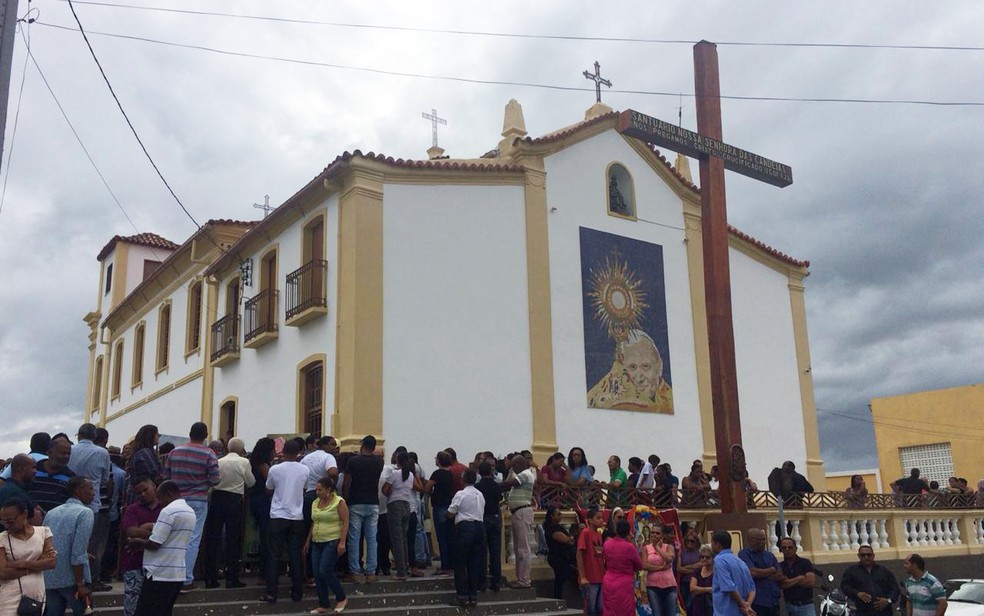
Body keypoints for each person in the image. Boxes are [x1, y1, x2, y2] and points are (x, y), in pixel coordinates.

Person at [163, 421, 220, 592]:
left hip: (175, 500)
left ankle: (169, 577)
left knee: (172, 538)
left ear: (189, 433)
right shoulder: (209, 453)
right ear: (205, 436)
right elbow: (215, 480)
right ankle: (186, 579)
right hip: (198, 500)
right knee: (193, 539)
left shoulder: (174, 452)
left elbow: (166, 476)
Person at [129, 480, 197, 616]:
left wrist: (138, 542)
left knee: (145, 611)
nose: (159, 502)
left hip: (159, 572)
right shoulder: (190, 511)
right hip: (177, 573)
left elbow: (155, 543)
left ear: (168, 495)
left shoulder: (168, 511)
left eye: (160, 498)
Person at [203, 437, 254, 589]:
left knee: (214, 538)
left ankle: (210, 577)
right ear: (241, 449)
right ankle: (232, 578)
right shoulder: (244, 462)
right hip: (234, 500)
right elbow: (251, 482)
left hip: (217, 498)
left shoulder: (219, 461)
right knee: (232, 540)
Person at [263, 438, 309, 603]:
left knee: (274, 555)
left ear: (283, 451)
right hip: (297, 517)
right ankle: (297, 593)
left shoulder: (275, 469)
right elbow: (304, 490)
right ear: (298, 453)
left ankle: (271, 593)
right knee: (295, 556)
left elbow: (268, 489)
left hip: (277, 515)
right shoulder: (305, 470)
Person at [69, 423, 113, 592]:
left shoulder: (71, 450)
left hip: (71, 499)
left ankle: (74, 578)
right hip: (92, 503)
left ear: (78, 436)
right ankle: (92, 579)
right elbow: (104, 480)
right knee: (94, 544)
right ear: (95, 437)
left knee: (73, 541)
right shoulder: (102, 452)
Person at [43, 477, 96, 615]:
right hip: (73, 579)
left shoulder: (51, 512)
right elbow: (78, 552)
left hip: (50, 577)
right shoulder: (85, 513)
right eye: (90, 488)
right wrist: (80, 583)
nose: (93, 492)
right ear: (78, 491)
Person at [0, 497, 56, 613]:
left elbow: (51, 562)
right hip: (10, 596)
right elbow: (3, 572)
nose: (6, 526)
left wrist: (20, 563)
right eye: (3, 522)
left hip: (36, 596)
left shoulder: (43, 532)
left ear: (24, 514)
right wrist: (38, 564)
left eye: (10, 521)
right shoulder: (2, 538)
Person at [302, 477, 349, 615]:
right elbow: (314, 522)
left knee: (325, 570)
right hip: (317, 540)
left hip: (332, 540)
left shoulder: (339, 502)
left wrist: (342, 542)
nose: (317, 492)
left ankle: (341, 597)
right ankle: (324, 603)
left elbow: (346, 521)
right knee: (317, 573)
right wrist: (307, 541)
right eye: (316, 489)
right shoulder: (315, 502)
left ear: (329, 490)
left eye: (320, 490)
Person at [343, 435, 384, 583]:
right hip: (373, 502)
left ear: (362, 446)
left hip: (356, 502)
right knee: (372, 538)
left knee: (354, 537)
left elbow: (346, 482)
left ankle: (354, 571)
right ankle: (371, 572)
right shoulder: (379, 462)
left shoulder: (353, 461)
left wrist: (346, 500)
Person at [120, 476, 163, 616]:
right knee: (132, 607)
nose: (143, 494)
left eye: (146, 490)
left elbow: (170, 534)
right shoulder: (132, 510)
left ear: (154, 486)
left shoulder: (165, 509)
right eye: (139, 492)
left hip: (159, 566)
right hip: (135, 564)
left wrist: (149, 526)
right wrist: (159, 532)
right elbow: (131, 531)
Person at [300, 437, 339, 584]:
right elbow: (333, 472)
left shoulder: (306, 458)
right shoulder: (328, 457)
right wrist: (331, 486)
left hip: (308, 495)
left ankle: (309, 573)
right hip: (323, 496)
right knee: (325, 533)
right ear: (324, 445)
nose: (335, 447)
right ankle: (324, 571)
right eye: (332, 444)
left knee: (309, 534)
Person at [447, 468, 487, 608]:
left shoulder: (461, 494)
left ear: (463, 480)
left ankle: (462, 596)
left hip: (465, 529)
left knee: (460, 563)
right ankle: (473, 596)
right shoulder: (480, 495)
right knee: (474, 563)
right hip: (479, 528)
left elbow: (451, 513)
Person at [382, 450, 420, 580]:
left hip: (395, 505)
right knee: (403, 538)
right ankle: (405, 566)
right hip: (407, 506)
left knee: (396, 539)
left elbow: (385, 490)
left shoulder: (394, 473)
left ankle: (401, 572)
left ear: (397, 460)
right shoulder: (410, 475)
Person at [500, 453, 535, 589]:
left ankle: (524, 580)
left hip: (522, 512)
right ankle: (520, 578)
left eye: (514, 465)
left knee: (523, 549)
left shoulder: (526, 474)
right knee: (518, 548)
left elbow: (510, 483)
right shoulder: (523, 474)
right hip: (518, 512)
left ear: (521, 464)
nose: (513, 468)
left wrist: (494, 485)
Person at [840, 545, 899, 616]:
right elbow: (845, 586)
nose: (866, 557)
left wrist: (888, 600)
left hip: (884, 612)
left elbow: (895, 589)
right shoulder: (851, 571)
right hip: (863, 611)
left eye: (869, 555)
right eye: (863, 555)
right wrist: (857, 593)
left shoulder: (884, 571)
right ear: (859, 556)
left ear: (873, 556)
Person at [248, 437, 275, 587]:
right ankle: (265, 573)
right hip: (264, 503)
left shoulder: (252, 464)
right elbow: (269, 487)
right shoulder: (264, 467)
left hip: (254, 502)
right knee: (267, 539)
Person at [602, 519, 644, 615]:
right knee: (625, 610)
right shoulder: (629, 547)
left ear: (616, 530)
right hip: (624, 583)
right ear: (628, 532)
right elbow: (639, 566)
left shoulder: (607, 544)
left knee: (609, 610)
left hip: (608, 581)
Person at [711, 530, 756, 616]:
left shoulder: (719, 560)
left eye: (712, 543)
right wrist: (747, 605)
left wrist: (743, 605)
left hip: (725, 611)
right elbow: (752, 589)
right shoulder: (740, 561)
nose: (711, 545)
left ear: (718, 545)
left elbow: (729, 587)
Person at [739, 527, 782, 616]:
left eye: (764, 539)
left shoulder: (769, 555)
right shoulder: (744, 554)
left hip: (773, 601)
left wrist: (762, 573)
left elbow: (779, 575)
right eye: (760, 540)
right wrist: (771, 570)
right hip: (757, 602)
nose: (764, 543)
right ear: (751, 540)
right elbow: (752, 573)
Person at [424, 450, 454, 575]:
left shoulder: (437, 474)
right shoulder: (450, 474)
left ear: (439, 461)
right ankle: (450, 564)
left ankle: (445, 566)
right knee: (448, 536)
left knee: (441, 537)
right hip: (449, 506)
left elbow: (427, 488)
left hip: (439, 506)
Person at [28, 437, 75, 515]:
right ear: (49, 452)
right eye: (62, 453)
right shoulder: (33, 470)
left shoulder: (70, 476)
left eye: (68, 454)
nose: (66, 456)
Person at [474, 461, 502, 592]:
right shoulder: (496, 486)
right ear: (491, 472)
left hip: (483, 517)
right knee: (495, 551)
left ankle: (482, 581)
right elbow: (499, 500)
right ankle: (496, 581)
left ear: (479, 472)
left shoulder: (477, 487)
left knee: (482, 551)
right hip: (495, 517)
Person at [642, 524, 678, 616]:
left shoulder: (669, 547)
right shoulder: (646, 548)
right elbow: (645, 565)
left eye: (657, 533)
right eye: (652, 533)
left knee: (670, 613)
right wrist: (661, 568)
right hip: (653, 587)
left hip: (669, 587)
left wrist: (657, 547)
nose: (654, 535)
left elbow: (669, 558)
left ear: (662, 536)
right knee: (657, 613)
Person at [543, 505, 577, 600]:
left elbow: (570, 539)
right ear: (552, 516)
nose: (560, 515)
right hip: (557, 558)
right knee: (560, 578)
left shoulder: (559, 527)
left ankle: (559, 597)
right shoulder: (552, 529)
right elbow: (567, 540)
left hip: (564, 557)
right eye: (558, 514)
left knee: (561, 579)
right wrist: (570, 539)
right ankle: (558, 598)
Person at [576, 507, 605, 616]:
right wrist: (582, 576)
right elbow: (579, 554)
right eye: (598, 518)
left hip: (600, 576)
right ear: (590, 520)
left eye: (602, 518)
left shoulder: (598, 534)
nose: (601, 520)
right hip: (589, 577)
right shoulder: (585, 533)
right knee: (590, 608)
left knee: (600, 607)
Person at [0, 454, 43, 529]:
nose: (36, 471)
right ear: (21, 469)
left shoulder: (17, 489)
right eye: (33, 467)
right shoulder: (13, 492)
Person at [778, 537, 816, 616]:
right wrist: (799, 578)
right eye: (784, 548)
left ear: (795, 548)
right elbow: (782, 585)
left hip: (806, 606)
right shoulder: (780, 566)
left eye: (790, 547)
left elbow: (810, 582)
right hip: (789, 606)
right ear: (781, 549)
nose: (787, 550)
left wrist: (789, 581)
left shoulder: (805, 563)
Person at [125, 425, 161, 506]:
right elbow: (155, 474)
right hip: (144, 495)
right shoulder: (145, 453)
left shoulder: (138, 453)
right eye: (157, 435)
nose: (158, 437)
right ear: (151, 436)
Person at [677, 530, 702, 613]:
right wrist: (693, 568)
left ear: (696, 542)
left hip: (695, 583)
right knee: (684, 605)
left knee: (691, 604)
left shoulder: (699, 554)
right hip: (684, 583)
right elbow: (679, 569)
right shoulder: (682, 553)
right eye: (687, 540)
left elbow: (700, 567)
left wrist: (686, 567)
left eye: (692, 541)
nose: (689, 542)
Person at [690, 543, 715, 616]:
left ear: (713, 558)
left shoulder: (717, 572)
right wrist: (708, 589)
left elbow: (717, 589)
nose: (704, 559)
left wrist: (699, 590)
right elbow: (692, 588)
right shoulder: (697, 571)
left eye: (707, 557)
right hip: (698, 606)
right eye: (702, 557)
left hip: (712, 606)